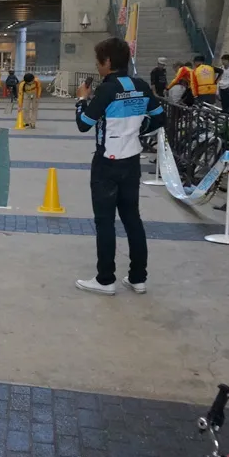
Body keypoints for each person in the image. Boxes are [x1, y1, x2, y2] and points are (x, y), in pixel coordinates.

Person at [75, 37, 165, 295]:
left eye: (99, 62)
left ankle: (105, 279)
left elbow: (84, 123)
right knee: (132, 218)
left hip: (106, 164)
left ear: (108, 62)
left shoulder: (107, 89)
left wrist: (81, 100)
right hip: (131, 161)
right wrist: (136, 131)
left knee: (105, 222)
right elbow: (160, 119)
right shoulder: (140, 86)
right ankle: (138, 277)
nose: (97, 67)